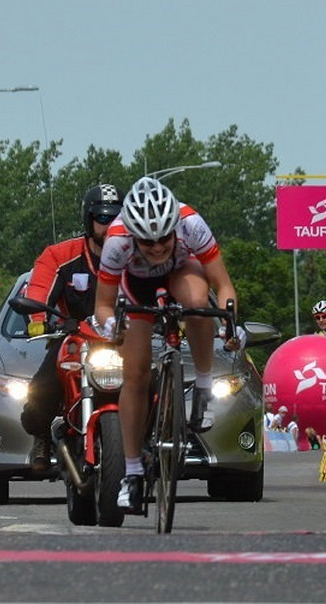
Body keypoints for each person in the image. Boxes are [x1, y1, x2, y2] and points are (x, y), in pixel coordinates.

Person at [91, 176, 240, 515]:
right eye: (147, 242)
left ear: (175, 228)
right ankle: (131, 472)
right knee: (136, 375)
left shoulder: (191, 223)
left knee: (199, 302)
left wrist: (231, 322)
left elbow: (225, 286)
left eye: (164, 238)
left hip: (183, 271)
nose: (157, 248)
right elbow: (102, 306)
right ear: (133, 236)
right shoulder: (117, 241)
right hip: (138, 286)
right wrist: (114, 325)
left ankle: (202, 388)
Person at [21, 183, 123, 473]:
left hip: (124, 340)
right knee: (41, 388)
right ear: (88, 220)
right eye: (103, 219)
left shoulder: (136, 256)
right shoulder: (60, 254)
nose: (109, 226)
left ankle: (155, 441)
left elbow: (158, 288)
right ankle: (41, 435)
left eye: (116, 219)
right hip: (74, 339)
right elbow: (39, 288)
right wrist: (39, 318)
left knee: (154, 382)